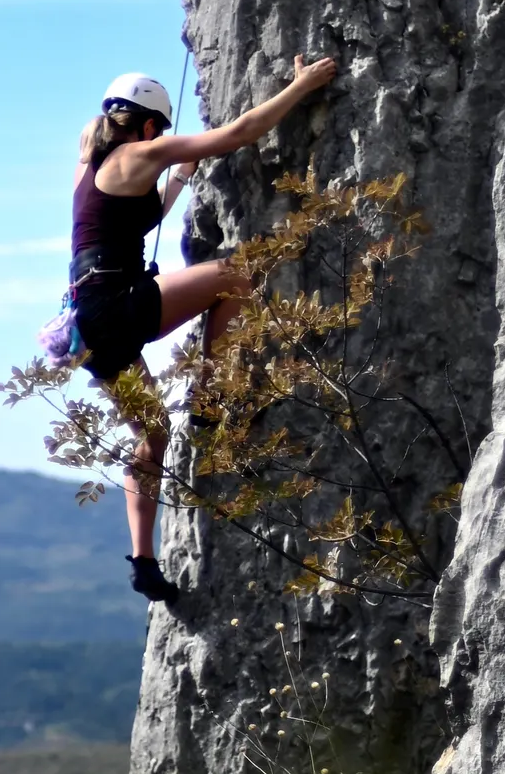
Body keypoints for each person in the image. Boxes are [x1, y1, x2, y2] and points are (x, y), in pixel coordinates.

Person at [65, 55, 338, 602]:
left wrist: (179, 183)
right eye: (159, 129)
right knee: (236, 277)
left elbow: (133, 217)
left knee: (152, 437)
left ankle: (143, 561)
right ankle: (212, 405)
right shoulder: (145, 151)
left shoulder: (90, 165)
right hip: (119, 304)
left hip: (91, 325)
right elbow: (240, 132)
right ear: (147, 126)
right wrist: (300, 87)